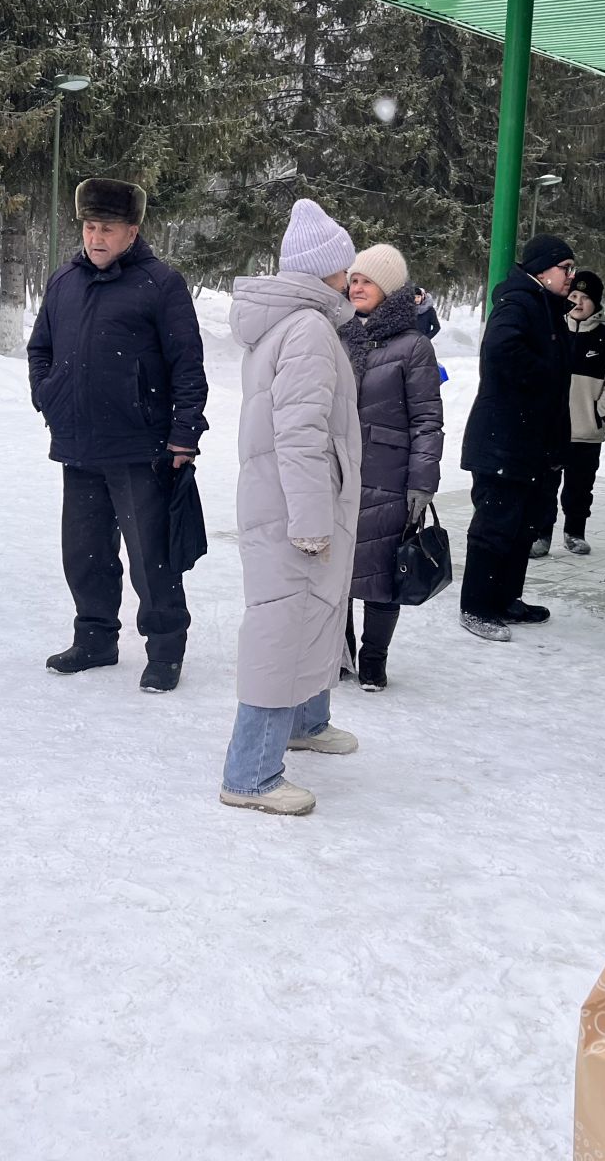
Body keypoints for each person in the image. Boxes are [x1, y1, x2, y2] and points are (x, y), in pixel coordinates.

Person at [27, 178, 208, 694]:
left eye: (107, 228)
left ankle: (165, 649)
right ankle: (95, 639)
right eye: (89, 226)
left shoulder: (160, 283)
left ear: (132, 231)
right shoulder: (64, 280)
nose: (96, 237)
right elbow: (40, 348)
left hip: (139, 446)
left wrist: (183, 436)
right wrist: (49, 395)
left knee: (151, 557)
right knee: (83, 553)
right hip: (78, 445)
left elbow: (187, 367)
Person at [220, 198, 362, 816]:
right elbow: (300, 433)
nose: (353, 279)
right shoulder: (306, 329)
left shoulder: (293, 323)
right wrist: (311, 521)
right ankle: (249, 774)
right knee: (283, 626)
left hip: (285, 501)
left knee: (309, 615)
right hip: (294, 509)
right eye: (347, 268)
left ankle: (305, 722)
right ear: (326, 270)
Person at [457, 233, 576, 641]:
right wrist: (542, 379)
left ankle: (506, 598)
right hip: (503, 440)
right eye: (565, 269)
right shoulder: (518, 302)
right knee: (495, 528)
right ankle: (476, 606)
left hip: (534, 445)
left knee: (524, 526)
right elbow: (502, 351)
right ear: (541, 269)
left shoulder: (548, 308)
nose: (571, 277)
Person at [338, 244, 443, 691]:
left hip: (389, 479)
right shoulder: (338, 334)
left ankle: (374, 660)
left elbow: (427, 420)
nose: (357, 287)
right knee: (337, 573)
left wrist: (422, 482)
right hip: (340, 476)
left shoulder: (414, 346)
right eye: (354, 279)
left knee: (383, 574)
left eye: (367, 280)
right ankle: (339, 655)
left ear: (391, 288)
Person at [558, 270, 605, 556]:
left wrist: (598, 416)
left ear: (597, 303)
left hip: (586, 433)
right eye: (573, 295)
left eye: (585, 298)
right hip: (549, 429)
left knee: (579, 488)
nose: (577, 302)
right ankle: (538, 533)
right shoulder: (552, 329)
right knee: (540, 485)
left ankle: (575, 532)